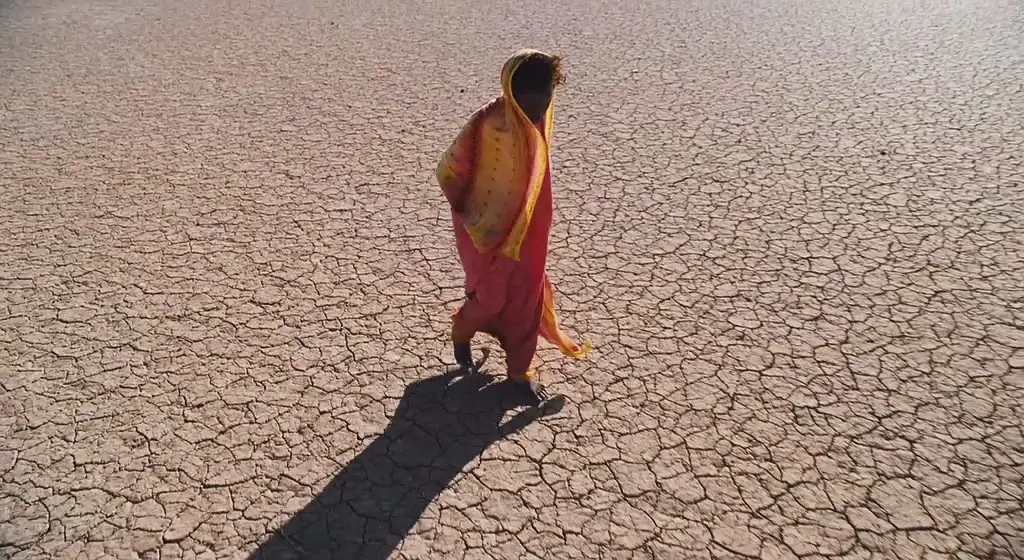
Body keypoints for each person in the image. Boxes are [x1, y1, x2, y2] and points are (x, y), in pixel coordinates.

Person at [435, 48, 591, 401]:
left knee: (527, 297)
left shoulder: (540, 120)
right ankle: (463, 327)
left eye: (544, 103)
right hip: (487, 232)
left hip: (531, 230)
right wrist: (478, 213)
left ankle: (519, 373)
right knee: (490, 297)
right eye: (529, 105)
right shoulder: (489, 122)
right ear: (510, 93)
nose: (536, 113)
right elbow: (451, 169)